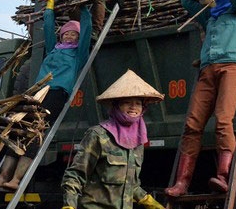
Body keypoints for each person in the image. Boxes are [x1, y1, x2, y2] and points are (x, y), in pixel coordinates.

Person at [165, 0, 236, 197]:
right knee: (192, 125)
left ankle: (223, 176)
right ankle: (182, 182)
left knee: (223, 120)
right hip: (207, 71)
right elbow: (188, 4)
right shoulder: (211, 17)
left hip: (232, 67)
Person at [0, 0, 91, 191]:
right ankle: (3, 177)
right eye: (66, 33)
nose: (69, 37)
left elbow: (86, 32)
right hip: (37, 93)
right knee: (17, 131)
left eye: (73, 35)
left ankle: (16, 180)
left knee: (35, 133)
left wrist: (84, 10)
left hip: (57, 94)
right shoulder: (53, 49)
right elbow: (48, 29)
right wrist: (49, 7)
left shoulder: (79, 55)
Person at [61, 69, 165, 209]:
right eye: (127, 102)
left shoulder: (137, 141)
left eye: (138, 103)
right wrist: (69, 205)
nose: (133, 107)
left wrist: (147, 200)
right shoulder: (98, 135)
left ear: (143, 108)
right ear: (116, 106)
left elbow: (130, 185)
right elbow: (75, 176)